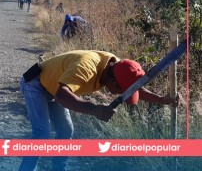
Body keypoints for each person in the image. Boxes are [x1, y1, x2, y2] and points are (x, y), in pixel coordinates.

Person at [19, 51, 179, 171]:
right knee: (42, 135)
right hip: (36, 84)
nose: (120, 95)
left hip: (56, 88)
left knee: (66, 130)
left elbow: (133, 88)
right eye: (120, 91)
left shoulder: (119, 67)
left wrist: (161, 99)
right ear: (111, 82)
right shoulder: (86, 69)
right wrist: (95, 109)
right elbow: (62, 96)